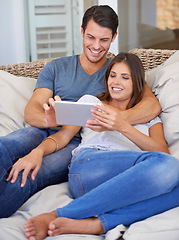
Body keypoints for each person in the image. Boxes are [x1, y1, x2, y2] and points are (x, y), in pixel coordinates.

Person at [0, 5, 161, 218]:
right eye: (91, 37)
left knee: (29, 175)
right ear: (82, 32)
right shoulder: (57, 67)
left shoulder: (118, 73)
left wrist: (114, 119)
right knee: (4, 147)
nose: (96, 46)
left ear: (114, 37)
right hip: (46, 128)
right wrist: (53, 119)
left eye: (104, 40)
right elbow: (31, 112)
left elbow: (152, 105)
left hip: (78, 141)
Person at [23, 52, 179, 240]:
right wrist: (38, 151)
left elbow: (163, 154)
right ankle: (58, 215)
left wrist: (122, 126)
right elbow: (63, 136)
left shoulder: (148, 117)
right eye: (112, 75)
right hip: (89, 168)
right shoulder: (91, 103)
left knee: (172, 173)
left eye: (124, 77)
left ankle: (98, 225)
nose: (116, 82)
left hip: (131, 179)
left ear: (136, 83)